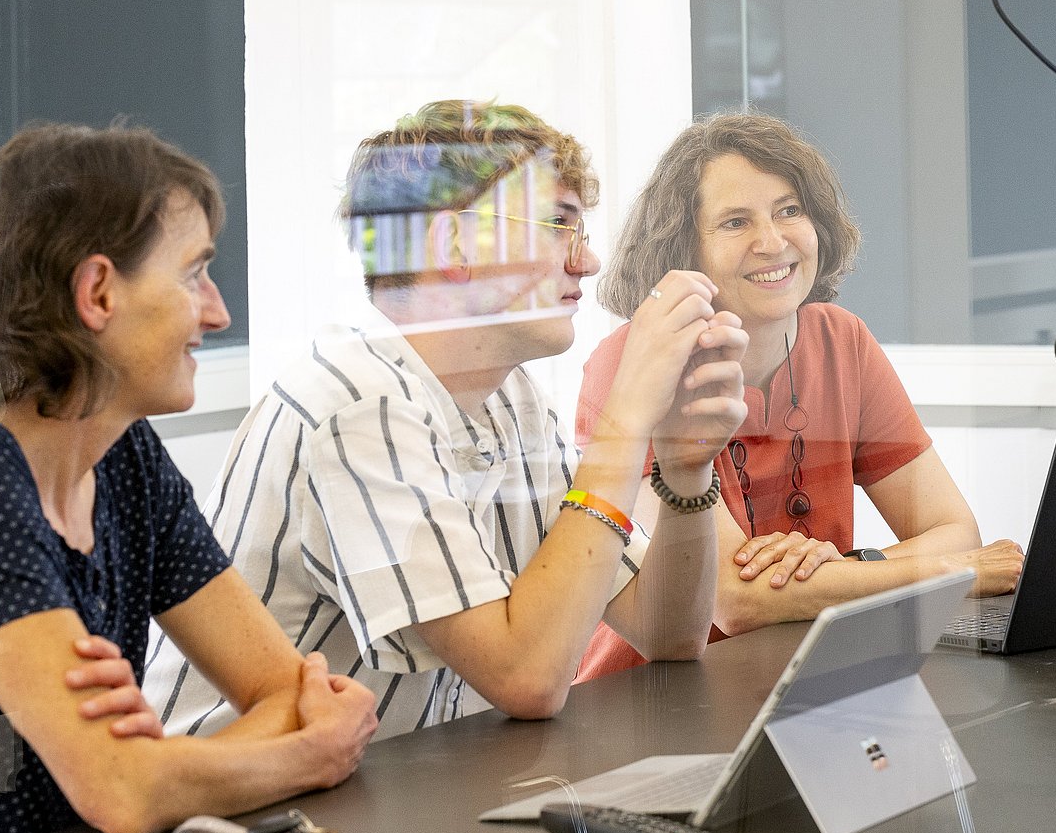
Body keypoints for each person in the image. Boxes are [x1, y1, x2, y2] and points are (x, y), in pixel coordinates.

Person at [143, 101, 748, 739]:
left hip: (393, 790)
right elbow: (528, 679)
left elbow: (670, 634)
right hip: (239, 820)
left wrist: (684, 467)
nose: (587, 262)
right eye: (556, 224)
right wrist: (625, 422)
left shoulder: (512, 399)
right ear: (455, 243)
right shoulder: (357, 406)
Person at [0, 124, 378, 833]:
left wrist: (157, 769)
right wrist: (308, 757)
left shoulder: (128, 461)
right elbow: (125, 797)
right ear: (98, 291)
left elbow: (288, 693)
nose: (218, 313)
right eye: (193, 274)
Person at [574, 112, 1020, 680]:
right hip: (653, 697)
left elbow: (955, 530)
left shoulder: (843, 340)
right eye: (735, 222)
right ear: (683, 249)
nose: (773, 241)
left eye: (790, 210)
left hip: (811, 677)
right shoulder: (631, 364)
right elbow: (735, 602)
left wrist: (851, 563)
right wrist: (955, 573)